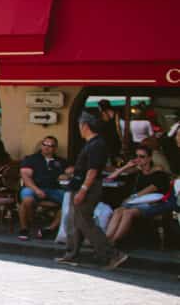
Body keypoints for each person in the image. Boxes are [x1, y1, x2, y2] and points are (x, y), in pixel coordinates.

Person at [59, 112, 128, 268]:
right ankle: (71, 254)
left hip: (88, 187)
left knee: (85, 222)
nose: (79, 129)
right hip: (81, 185)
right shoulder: (92, 143)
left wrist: (83, 190)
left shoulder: (97, 144)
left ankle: (112, 254)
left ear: (85, 126)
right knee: (75, 221)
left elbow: (93, 171)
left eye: (79, 126)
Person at [103, 146, 174, 252]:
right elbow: (109, 179)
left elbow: (150, 189)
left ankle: (113, 242)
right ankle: (106, 240)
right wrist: (126, 166)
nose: (138, 159)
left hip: (155, 203)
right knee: (118, 211)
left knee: (128, 213)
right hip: (138, 202)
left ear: (149, 158)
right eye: (136, 156)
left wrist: (132, 198)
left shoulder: (158, 172)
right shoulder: (138, 171)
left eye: (142, 156)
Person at [17, 136, 69, 241]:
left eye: (51, 146)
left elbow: (70, 171)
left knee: (70, 201)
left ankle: (49, 229)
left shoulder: (60, 161)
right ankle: (24, 228)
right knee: (27, 199)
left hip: (54, 189)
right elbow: (26, 177)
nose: (47, 147)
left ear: (55, 148)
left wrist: (67, 174)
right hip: (33, 188)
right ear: (41, 145)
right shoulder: (31, 159)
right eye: (45, 144)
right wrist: (36, 190)